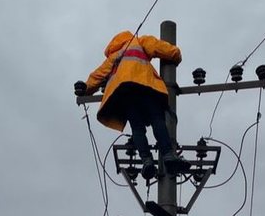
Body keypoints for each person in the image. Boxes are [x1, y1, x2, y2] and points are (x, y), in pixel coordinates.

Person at [75, 30, 189, 181]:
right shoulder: (139, 41)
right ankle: (168, 154)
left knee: (137, 127)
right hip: (144, 85)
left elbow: (99, 74)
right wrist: (176, 54)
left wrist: (85, 88)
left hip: (124, 93)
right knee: (157, 119)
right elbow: (159, 47)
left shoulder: (115, 55)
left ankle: (146, 160)